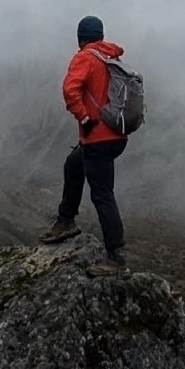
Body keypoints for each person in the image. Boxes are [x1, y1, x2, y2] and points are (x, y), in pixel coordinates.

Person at [40, 15, 128, 274]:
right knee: (74, 164)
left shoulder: (85, 57)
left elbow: (70, 89)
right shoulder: (111, 58)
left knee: (102, 195)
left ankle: (116, 257)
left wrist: (85, 118)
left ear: (80, 38)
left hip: (98, 137)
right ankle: (66, 220)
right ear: (101, 36)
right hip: (117, 135)